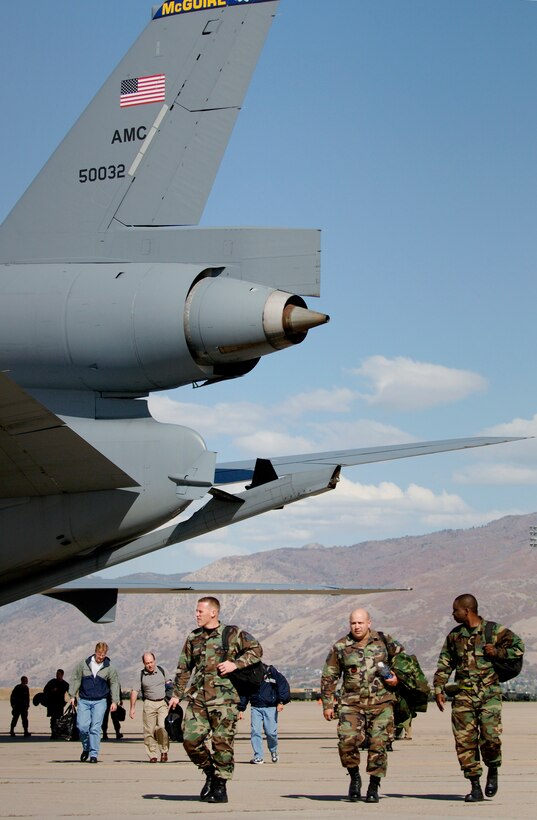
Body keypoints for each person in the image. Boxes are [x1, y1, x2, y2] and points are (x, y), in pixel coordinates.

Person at [168, 596, 262, 804]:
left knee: (222, 744)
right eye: (196, 611)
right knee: (189, 740)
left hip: (224, 699)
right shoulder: (194, 638)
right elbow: (184, 668)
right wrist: (176, 694)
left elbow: (257, 650)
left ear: (213, 612)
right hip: (199, 698)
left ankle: (220, 787)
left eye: (200, 611)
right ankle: (209, 771)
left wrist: (235, 664)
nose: (196, 614)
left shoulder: (232, 634)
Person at [433, 593, 525, 803]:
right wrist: (438, 688)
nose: (452, 613)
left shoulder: (494, 631)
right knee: (464, 742)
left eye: (455, 610)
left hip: (489, 695)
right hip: (463, 695)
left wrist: (499, 652)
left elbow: (519, 647)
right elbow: (445, 662)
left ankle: (493, 767)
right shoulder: (455, 636)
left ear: (467, 610)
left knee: (490, 738)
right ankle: (474, 785)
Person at [321, 607, 403, 804]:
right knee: (346, 743)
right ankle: (354, 777)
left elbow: (405, 662)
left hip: (381, 703)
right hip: (352, 704)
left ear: (369, 623)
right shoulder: (341, 646)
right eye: (353, 623)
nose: (356, 626)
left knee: (379, 745)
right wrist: (327, 703)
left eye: (360, 623)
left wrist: (396, 678)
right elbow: (329, 675)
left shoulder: (384, 641)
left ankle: (374, 786)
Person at [69, 641, 120, 763]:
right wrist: (72, 695)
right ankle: (86, 747)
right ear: (95, 652)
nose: (100, 657)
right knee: (82, 726)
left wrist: (115, 701)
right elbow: (76, 678)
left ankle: (93, 754)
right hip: (84, 700)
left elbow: (114, 683)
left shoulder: (109, 667)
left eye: (103, 655)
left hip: (100, 701)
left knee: (95, 728)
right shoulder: (84, 664)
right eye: (99, 654)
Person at [239, 663, 290, 764]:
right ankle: (258, 756)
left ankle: (273, 751)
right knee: (255, 732)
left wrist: (281, 701)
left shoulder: (270, 671)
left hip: (270, 707)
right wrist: (241, 709)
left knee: (271, 733)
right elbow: (244, 692)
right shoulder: (248, 675)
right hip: (255, 707)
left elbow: (283, 684)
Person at [130, 652, 172, 762]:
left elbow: (170, 686)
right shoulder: (141, 675)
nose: (150, 665)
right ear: (144, 663)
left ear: (155, 661)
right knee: (149, 730)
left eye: (151, 662)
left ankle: (164, 751)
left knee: (162, 727)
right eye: (147, 663)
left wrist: (170, 700)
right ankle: (152, 754)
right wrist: (132, 708)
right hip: (149, 704)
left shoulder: (162, 671)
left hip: (162, 703)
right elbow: (134, 691)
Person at [43, 669, 69, 738]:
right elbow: (45, 690)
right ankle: (53, 732)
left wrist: (74, 700)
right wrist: (51, 690)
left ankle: (58, 732)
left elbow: (70, 692)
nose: (57, 675)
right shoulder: (52, 682)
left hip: (60, 704)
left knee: (59, 718)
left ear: (62, 675)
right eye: (57, 674)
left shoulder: (65, 684)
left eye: (59, 674)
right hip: (52, 704)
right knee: (53, 718)